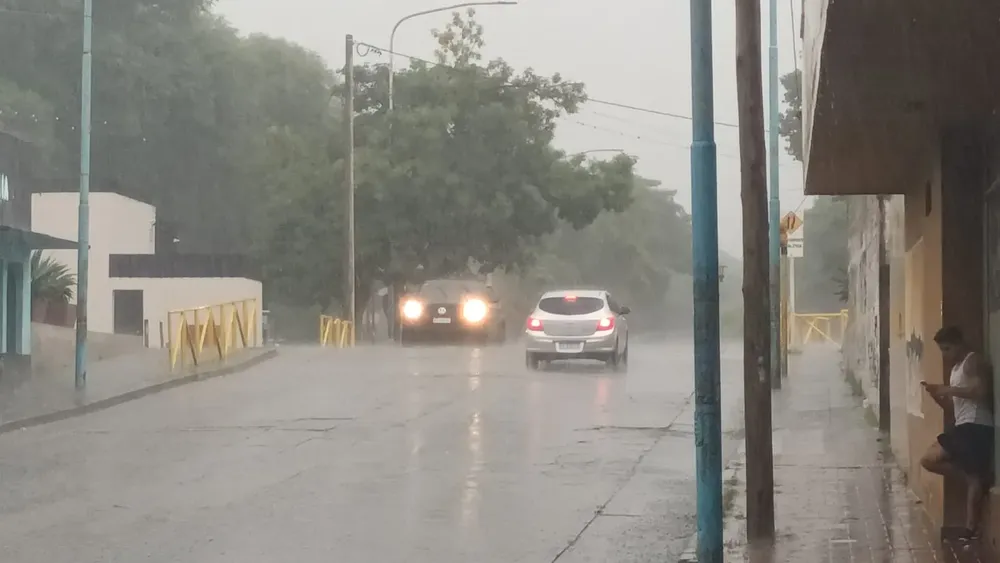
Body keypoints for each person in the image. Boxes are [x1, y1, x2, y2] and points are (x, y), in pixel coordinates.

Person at [919, 325, 995, 540]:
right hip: (963, 425)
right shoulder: (955, 370)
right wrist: (937, 396)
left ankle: (970, 528)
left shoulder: (972, 361)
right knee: (933, 462)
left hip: (977, 426)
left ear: (959, 344)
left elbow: (980, 391)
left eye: (947, 349)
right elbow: (954, 409)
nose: (945, 354)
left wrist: (947, 389)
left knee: (930, 458)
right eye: (942, 350)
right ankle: (976, 486)